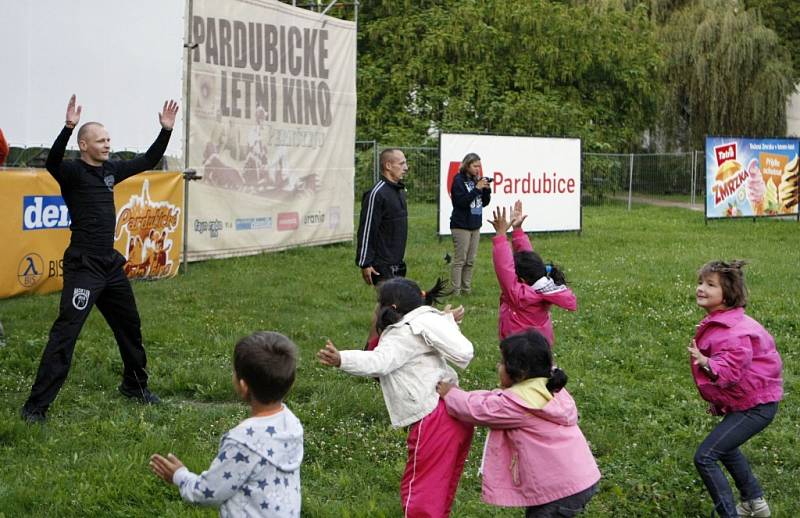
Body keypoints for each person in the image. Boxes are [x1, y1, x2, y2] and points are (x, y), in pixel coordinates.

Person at [20, 94, 178, 423]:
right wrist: (67, 127)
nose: (108, 145)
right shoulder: (72, 172)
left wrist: (165, 131)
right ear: (84, 144)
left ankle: (135, 386)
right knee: (66, 334)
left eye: (109, 140)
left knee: (130, 327)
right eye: (102, 140)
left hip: (110, 265)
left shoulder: (111, 171)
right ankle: (36, 407)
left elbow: (148, 159)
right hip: (84, 266)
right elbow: (51, 162)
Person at [317, 278, 474, 517]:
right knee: (440, 486)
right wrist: (446, 319)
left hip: (432, 419)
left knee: (419, 490)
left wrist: (342, 359)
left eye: (377, 304)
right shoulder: (424, 324)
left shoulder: (401, 335)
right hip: (455, 411)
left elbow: (377, 361)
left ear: (387, 310)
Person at [437, 329, 601, 517]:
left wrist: (450, 393)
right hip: (578, 478)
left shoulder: (519, 404)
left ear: (520, 372)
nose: (498, 366)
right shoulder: (548, 387)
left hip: (560, 490)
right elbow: (495, 399)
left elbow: (480, 409)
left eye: (502, 362)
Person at [150, 331, 303, 517]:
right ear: (291, 383)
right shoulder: (291, 423)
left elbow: (208, 492)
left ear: (243, 386)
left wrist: (180, 476)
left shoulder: (243, 442)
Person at [688, 260, 783, 518]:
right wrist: (720, 402)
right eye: (700, 282)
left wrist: (708, 363)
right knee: (725, 448)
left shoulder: (733, 331)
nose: (701, 289)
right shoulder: (724, 322)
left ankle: (728, 514)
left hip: (757, 407)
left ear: (728, 294)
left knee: (705, 456)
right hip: (751, 402)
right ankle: (754, 503)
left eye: (710, 285)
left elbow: (729, 370)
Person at [490, 202, 576, 344]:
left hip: (518, 352)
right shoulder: (545, 287)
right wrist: (517, 230)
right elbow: (528, 261)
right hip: (541, 350)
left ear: (522, 280)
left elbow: (504, 268)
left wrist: (501, 236)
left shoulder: (519, 297)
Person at [356, 148, 409, 286]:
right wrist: (365, 263)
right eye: (402, 164)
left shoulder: (399, 192)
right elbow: (367, 229)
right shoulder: (376, 194)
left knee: (390, 305)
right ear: (388, 166)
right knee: (390, 304)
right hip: (381, 266)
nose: (406, 168)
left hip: (397, 262)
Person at [449, 152, 491, 295]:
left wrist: (486, 191)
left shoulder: (476, 180)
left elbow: (483, 203)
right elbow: (460, 202)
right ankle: (456, 291)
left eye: (479, 166)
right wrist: (476, 189)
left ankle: (466, 289)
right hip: (461, 225)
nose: (477, 169)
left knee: (470, 260)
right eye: (474, 166)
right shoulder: (458, 180)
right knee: (460, 260)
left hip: (475, 225)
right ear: (467, 165)